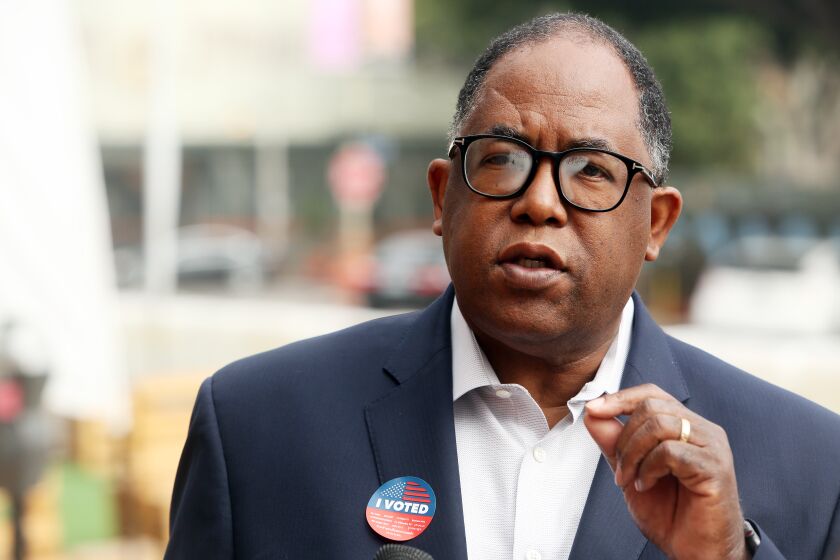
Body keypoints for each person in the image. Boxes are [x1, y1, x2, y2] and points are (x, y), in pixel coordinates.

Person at [164, 13, 840, 560]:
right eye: (502, 159)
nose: (540, 202)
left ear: (656, 223)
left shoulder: (808, 465)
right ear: (441, 196)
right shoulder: (258, 426)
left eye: (592, 171)